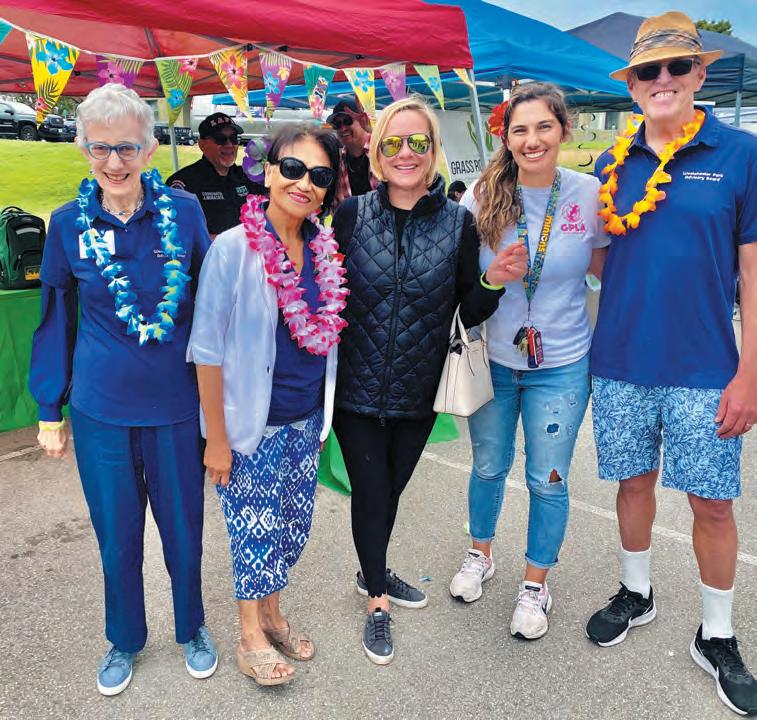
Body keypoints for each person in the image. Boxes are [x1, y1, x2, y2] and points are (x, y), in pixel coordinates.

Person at [584, 12, 757, 716]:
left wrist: (750, 373)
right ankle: (637, 592)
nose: (662, 79)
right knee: (632, 485)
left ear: (699, 74)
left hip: (706, 366)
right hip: (620, 361)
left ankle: (716, 635)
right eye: (647, 71)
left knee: (712, 504)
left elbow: (753, 272)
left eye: (676, 66)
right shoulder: (609, 164)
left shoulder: (740, 154)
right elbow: (602, 259)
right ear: (631, 86)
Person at [28, 83, 216, 696]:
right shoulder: (67, 224)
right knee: (117, 534)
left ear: (150, 149)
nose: (114, 162)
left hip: (176, 406)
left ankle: (192, 626)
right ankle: (124, 638)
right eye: (100, 148)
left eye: (127, 148)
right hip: (101, 409)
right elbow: (56, 317)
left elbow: (212, 306)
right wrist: (49, 407)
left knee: (184, 529)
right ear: (83, 148)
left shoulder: (184, 213)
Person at [331, 96, 528, 664]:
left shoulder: (457, 222)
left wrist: (492, 281)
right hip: (355, 389)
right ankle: (376, 599)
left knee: (390, 492)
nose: (406, 153)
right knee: (371, 492)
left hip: (420, 388)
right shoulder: (351, 215)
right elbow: (326, 291)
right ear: (377, 151)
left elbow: (467, 308)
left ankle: (371, 567)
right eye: (394, 142)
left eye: (419, 142)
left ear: (434, 150)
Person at [448, 82, 609, 640]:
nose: (532, 139)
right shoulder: (482, 196)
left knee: (548, 478)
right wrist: (493, 277)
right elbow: (460, 281)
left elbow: (609, 275)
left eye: (544, 127)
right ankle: (480, 554)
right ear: (506, 136)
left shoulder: (589, 194)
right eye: (520, 130)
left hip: (562, 363)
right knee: (488, 466)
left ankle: (536, 583)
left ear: (564, 130)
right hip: (493, 359)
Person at [187, 123, 345, 686]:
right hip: (250, 424)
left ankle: (274, 615)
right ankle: (249, 634)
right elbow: (206, 350)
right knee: (254, 530)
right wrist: (217, 439)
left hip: (306, 418)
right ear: (269, 170)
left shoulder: (324, 251)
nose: (304, 183)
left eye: (319, 175)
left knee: (291, 527)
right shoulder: (232, 248)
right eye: (293, 168)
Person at [167, 112, 265, 238]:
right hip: (211, 251)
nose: (229, 145)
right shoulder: (185, 182)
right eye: (220, 139)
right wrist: (226, 242)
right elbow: (176, 233)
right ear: (202, 145)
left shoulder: (247, 177)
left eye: (233, 138)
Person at [328, 97, 377, 202]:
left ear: (362, 121)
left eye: (348, 121)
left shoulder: (380, 149)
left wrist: (373, 130)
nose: (343, 128)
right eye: (337, 124)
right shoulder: (339, 159)